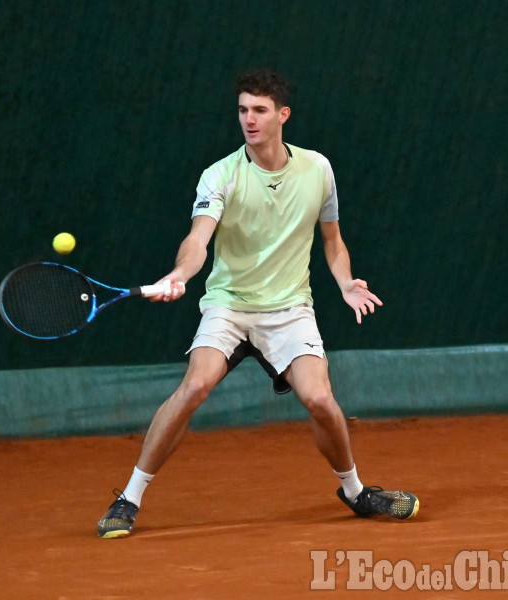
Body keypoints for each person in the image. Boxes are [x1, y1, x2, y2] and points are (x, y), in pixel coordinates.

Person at [97, 68, 419, 539]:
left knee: (321, 400)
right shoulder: (221, 176)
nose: (249, 119)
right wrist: (180, 274)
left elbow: (332, 239)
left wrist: (346, 282)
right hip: (229, 304)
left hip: (289, 308)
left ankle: (355, 492)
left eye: (260, 110)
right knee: (194, 388)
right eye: (244, 110)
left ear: (282, 115)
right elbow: (197, 240)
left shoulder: (318, 169)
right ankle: (128, 498)